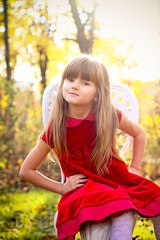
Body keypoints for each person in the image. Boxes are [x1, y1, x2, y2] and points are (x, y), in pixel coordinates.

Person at [20, 54, 160, 240]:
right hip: (87, 187)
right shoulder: (56, 127)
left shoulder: (108, 115)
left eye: (85, 82)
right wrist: (61, 188)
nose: (75, 85)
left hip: (118, 178)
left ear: (97, 94)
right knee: (122, 209)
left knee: (156, 200)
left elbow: (139, 133)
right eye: (70, 79)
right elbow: (26, 170)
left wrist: (135, 168)